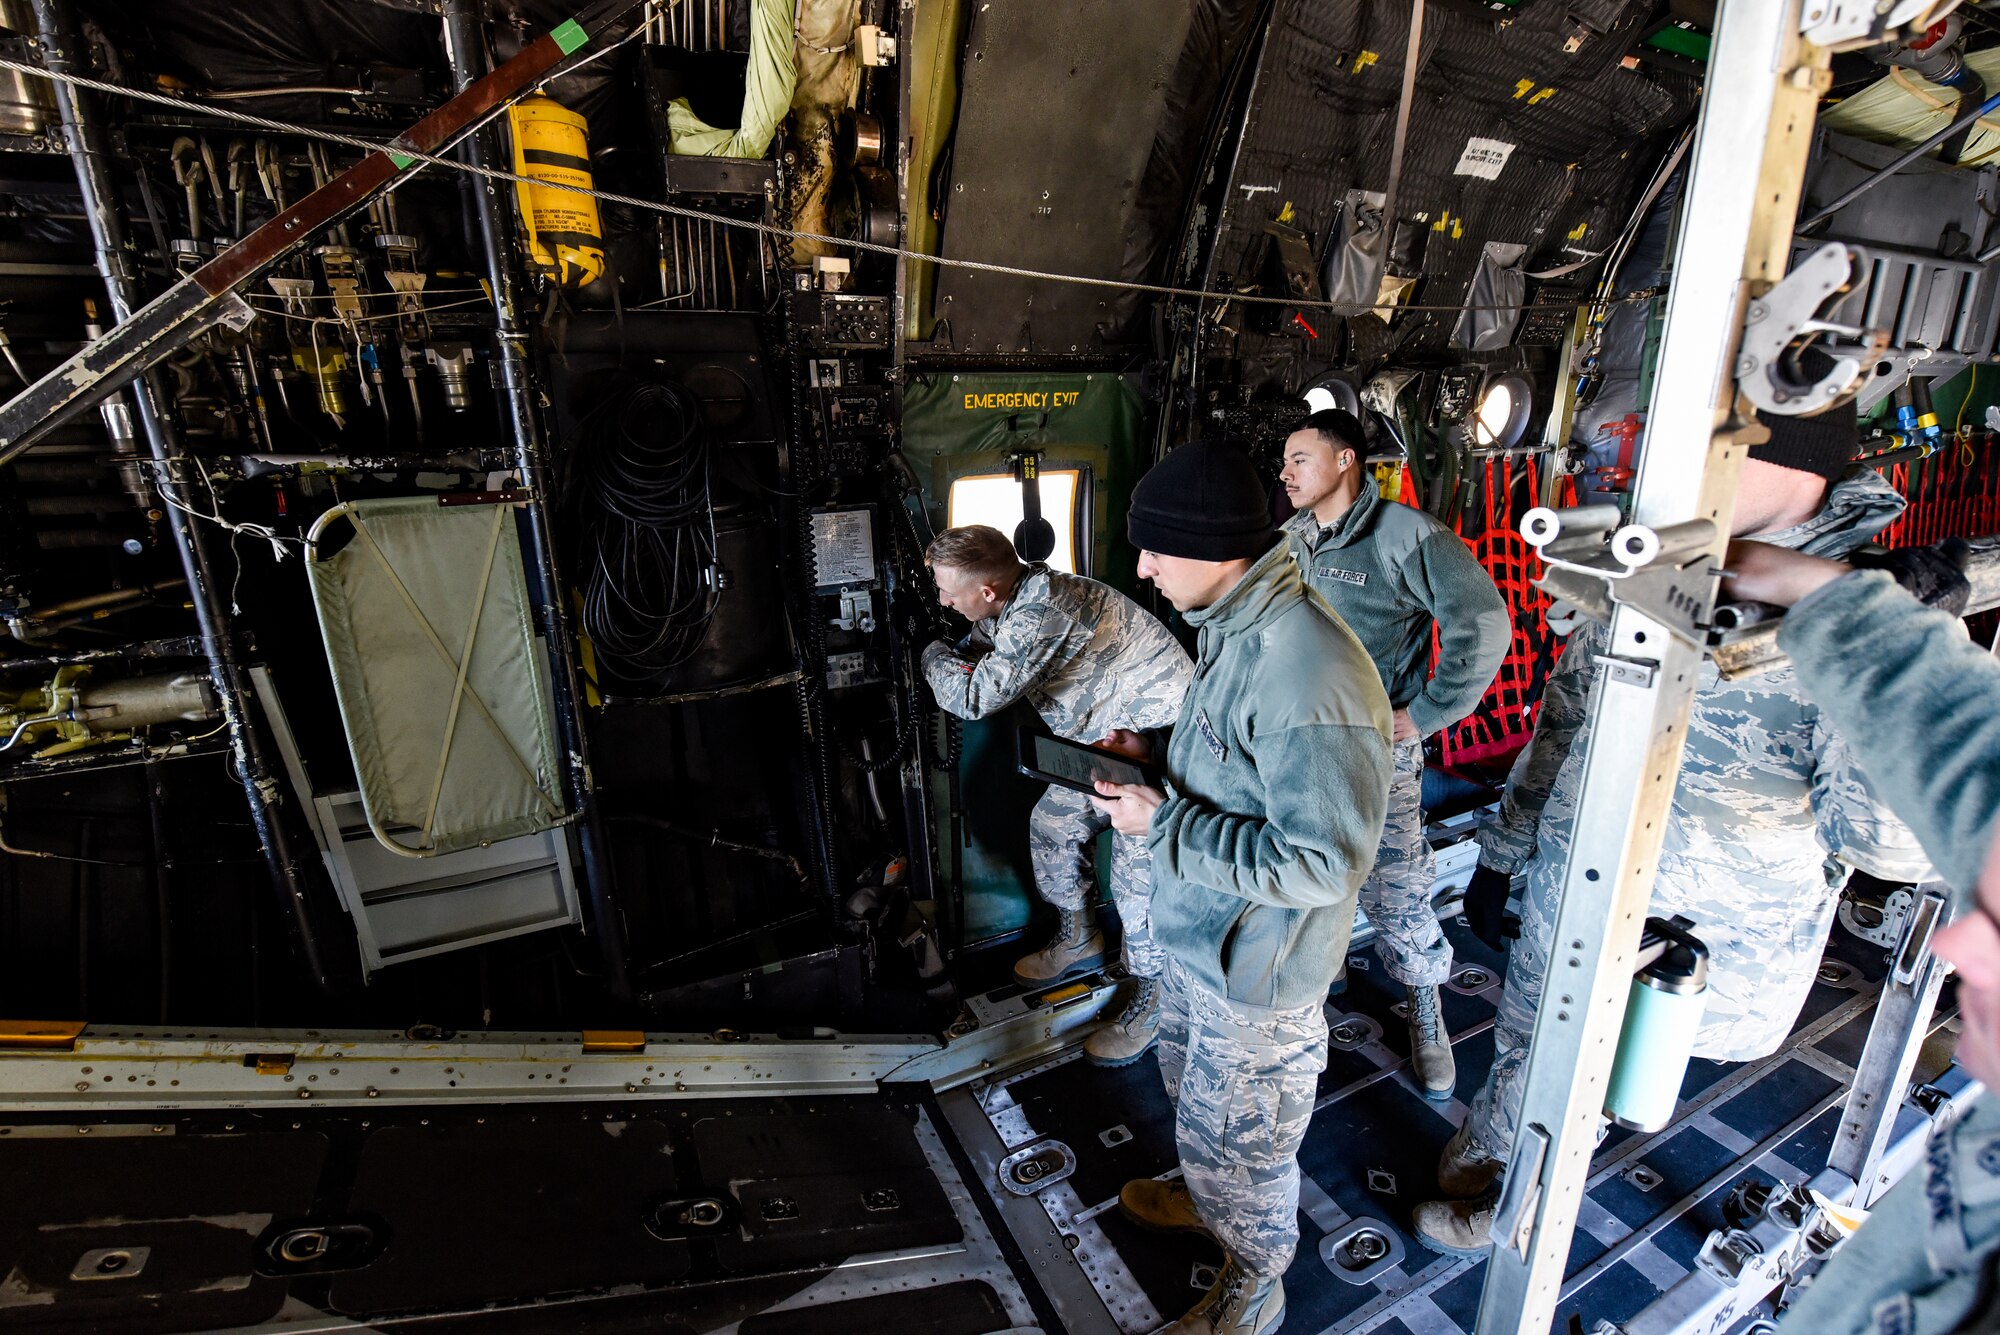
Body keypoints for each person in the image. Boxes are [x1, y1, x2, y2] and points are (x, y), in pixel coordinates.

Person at [1417, 409, 1936, 1254]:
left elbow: (1886, 846)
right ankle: (1496, 1141)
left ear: (1784, 459)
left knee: (1602, 1083)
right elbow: (1568, 712)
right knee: (1531, 1032)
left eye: (1712, 445)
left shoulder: (1863, 613)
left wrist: (1872, 637)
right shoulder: (1664, 563)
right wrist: (1506, 849)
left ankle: (1521, 1216)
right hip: (1573, 890)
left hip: (1694, 943)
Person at [1089, 438, 1392, 1335]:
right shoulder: (1236, 628)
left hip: (1255, 974)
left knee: (1245, 1149)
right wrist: (1155, 760)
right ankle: (1206, 1194)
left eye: (1153, 549)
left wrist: (1165, 824)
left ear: (1215, 551)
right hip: (1202, 937)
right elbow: (1240, 772)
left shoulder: (1310, 674)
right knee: (1197, 1104)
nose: (1139, 569)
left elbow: (1325, 862)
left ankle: (1253, 1285)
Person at [1720, 536, 1998, 1335]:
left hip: (1741, 945)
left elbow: (1882, 838)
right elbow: (1975, 761)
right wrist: (1842, 602)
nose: (1955, 948)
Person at [1279, 408, 1510, 1099]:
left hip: (1376, 751)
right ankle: (1312, 997)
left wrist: (1431, 711)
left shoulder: (1404, 536)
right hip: (1297, 745)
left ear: (1346, 459)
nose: (1285, 473)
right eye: (1284, 462)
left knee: (1398, 887)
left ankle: (1427, 1010)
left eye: (1299, 459)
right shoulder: (1292, 538)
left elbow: (1484, 622)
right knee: (1304, 878)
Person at [921, 524, 1193, 1066]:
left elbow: (974, 696)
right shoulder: (1015, 600)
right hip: (1109, 740)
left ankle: (1156, 999)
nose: (942, 599)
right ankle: (1079, 937)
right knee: (1053, 824)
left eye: (948, 591)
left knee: (1140, 883)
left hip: (1160, 752)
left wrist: (929, 656)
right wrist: (955, 648)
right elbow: (980, 646)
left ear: (988, 591)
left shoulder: (1041, 612)